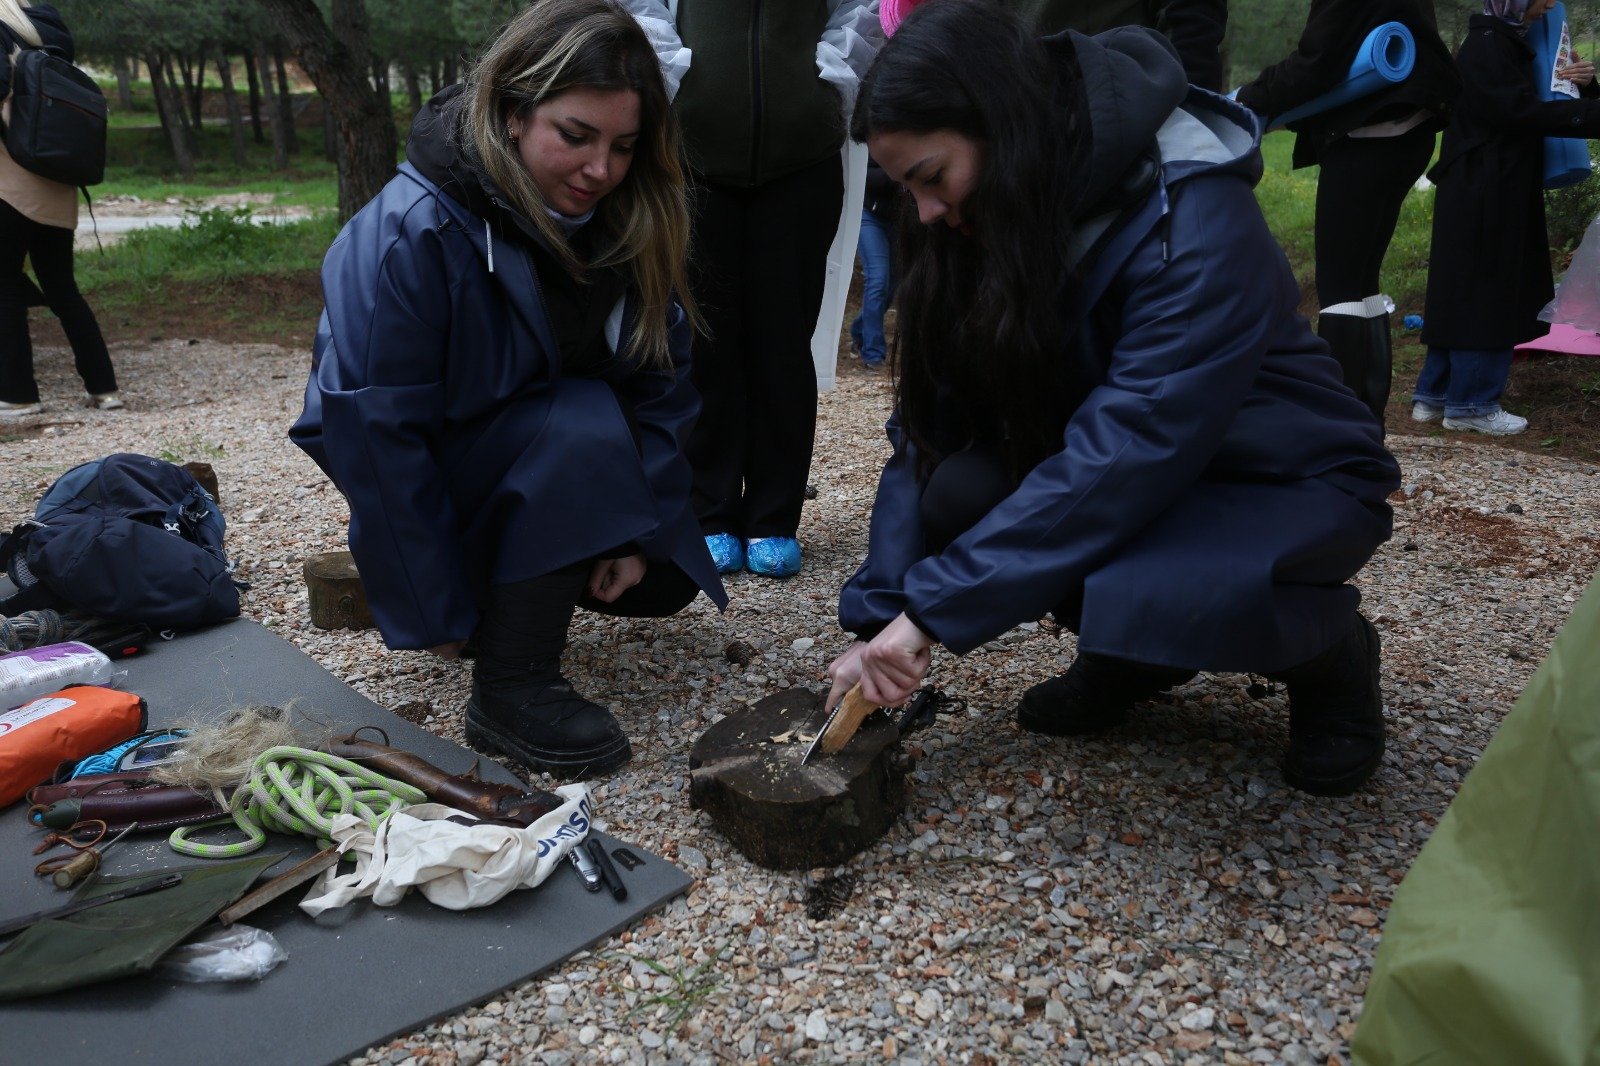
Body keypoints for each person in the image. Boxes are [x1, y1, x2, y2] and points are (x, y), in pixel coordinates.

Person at [828, 1, 1402, 797]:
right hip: (1129, 463)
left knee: (1140, 577)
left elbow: (1130, 450)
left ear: (1006, 126)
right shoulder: (984, 213)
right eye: (905, 190)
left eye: (930, 179)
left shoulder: (1193, 219)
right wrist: (882, 613)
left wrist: (930, 615)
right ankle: (1136, 655)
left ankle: (1328, 657)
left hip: (1281, 478)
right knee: (965, 494)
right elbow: (927, 426)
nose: (923, 213)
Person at [290, 0, 725, 779]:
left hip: (537, 464)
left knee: (661, 580)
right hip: (448, 483)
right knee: (580, 419)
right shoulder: (410, 231)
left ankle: (522, 594)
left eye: (625, 146)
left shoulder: (627, 217)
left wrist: (633, 532)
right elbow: (375, 437)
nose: (602, 171)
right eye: (577, 136)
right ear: (513, 113)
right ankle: (510, 685)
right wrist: (433, 605)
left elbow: (663, 383)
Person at [623, 0, 882, 579]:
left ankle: (773, 517)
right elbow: (643, 14)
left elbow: (858, 16)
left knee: (784, 342)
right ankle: (709, 512)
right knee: (705, 340)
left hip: (801, 163)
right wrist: (676, 94)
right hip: (692, 163)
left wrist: (824, 93)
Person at [1236, 1, 1459, 428]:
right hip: (1407, 131)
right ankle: (1364, 420)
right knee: (1361, 283)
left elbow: (1318, 62)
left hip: (1369, 137)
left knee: (1339, 288)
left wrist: (1249, 98)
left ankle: (1337, 425)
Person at [1413, 0, 1600, 435]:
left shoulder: (1496, 41)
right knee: (1488, 287)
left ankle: (1436, 394)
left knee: (1461, 285)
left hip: (1481, 183)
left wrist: (1586, 87)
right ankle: (1471, 404)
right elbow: (1518, 112)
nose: (1549, 4)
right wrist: (1593, 114)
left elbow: (1533, 100)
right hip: (1487, 186)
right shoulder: (1490, 46)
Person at [0, 0, 121, 417]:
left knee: (3, 285)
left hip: (9, 179)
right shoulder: (46, 25)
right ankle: (105, 389)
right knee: (63, 288)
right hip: (56, 176)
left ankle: (17, 395)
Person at [848, 154, 898, 371]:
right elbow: (861, 174)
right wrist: (899, 175)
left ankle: (859, 331)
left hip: (901, 221)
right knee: (877, 280)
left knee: (891, 289)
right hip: (870, 215)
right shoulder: (878, 134)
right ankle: (873, 355)